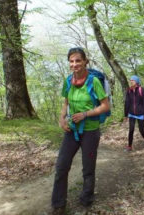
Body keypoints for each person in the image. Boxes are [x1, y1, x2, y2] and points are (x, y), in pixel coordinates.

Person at [49, 47, 110, 214]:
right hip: (71, 130)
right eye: (71, 61)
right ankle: (58, 204)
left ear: (85, 62)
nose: (74, 64)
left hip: (90, 131)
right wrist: (62, 119)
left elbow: (105, 106)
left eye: (78, 60)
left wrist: (85, 114)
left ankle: (86, 199)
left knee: (88, 168)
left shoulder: (93, 82)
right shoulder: (68, 81)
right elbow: (66, 103)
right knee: (61, 166)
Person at [124, 75, 144, 151]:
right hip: (131, 114)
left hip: (140, 113)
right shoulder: (129, 90)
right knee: (131, 129)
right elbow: (127, 103)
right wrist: (125, 115)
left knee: (141, 130)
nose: (131, 81)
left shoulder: (141, 90)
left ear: (137, 82)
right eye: (130, 80)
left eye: (133, 80)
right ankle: (129, 146)